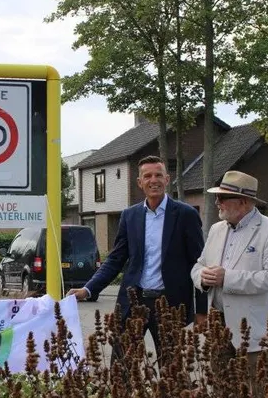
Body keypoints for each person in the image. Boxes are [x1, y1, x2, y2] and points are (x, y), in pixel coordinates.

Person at [67, 155, 205, 362]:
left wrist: (201, 310)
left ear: (167, 179)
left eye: (158, 175)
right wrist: (88, 289)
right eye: (147, 176)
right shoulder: (130, 216)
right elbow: (115, 259)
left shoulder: (186, 214)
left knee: (171, 371)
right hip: (133, 303)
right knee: (121, 368)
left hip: (170, 306)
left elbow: (199, 263)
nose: (153, 180)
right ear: (140, 182)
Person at [191, 171, 268, 398]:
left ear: (244, 202)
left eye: (223, 197)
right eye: (217, 197)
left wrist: (227, 278)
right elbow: (199, 265)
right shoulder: (217, 229)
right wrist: (202, 277)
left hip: (256, 331)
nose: (217, 202)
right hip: (219, 327)